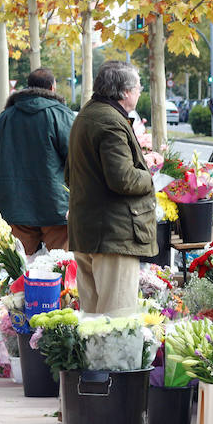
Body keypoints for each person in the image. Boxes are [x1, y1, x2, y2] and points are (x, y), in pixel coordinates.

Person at [66, 61, 157, 315]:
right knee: (116, 320)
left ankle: (94, 358)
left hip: (88, 231)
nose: (140, 92)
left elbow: (70, 173)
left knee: (93, 319)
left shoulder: (87, 115)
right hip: (112, 236)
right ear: (125, 92)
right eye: (138, 87)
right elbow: (123, 179)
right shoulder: (110, 121)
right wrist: (150, 177)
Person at [0, 68, 75, 255]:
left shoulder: (6, 116)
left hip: (15, 203)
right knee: (59, 265)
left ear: (27, 88)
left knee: (18, 266)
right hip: (56, 204)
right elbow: (74, 159)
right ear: (53, 88)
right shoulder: (62, 115)